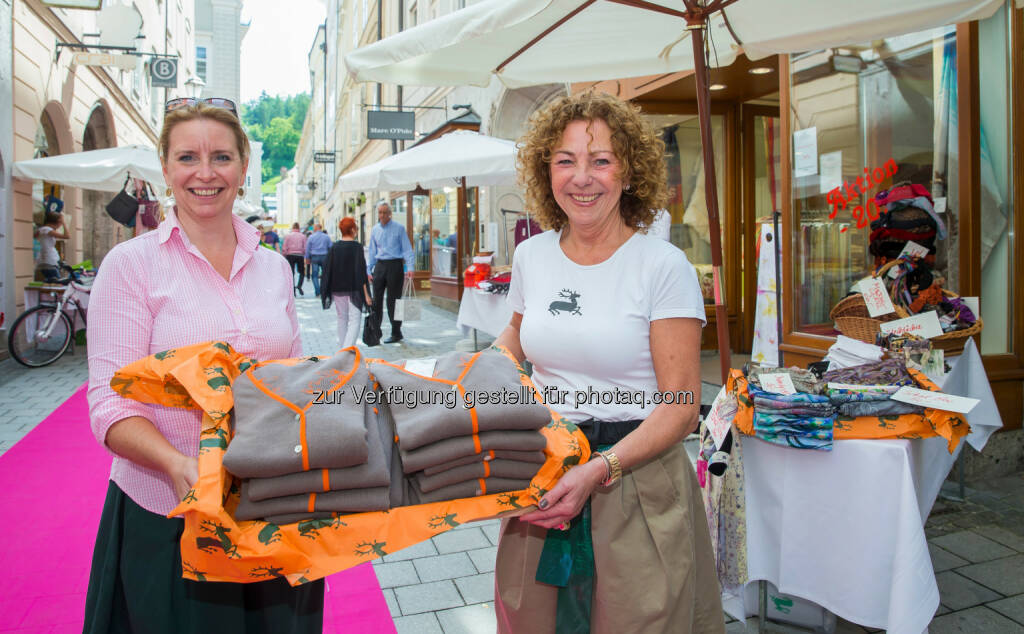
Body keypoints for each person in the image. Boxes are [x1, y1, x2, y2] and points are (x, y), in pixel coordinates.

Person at [83, 97, 323, 633]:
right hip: (169, 509)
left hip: (272, 502)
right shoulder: (131, 266)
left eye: (221, 157)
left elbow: (292, 377)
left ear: (242, 167)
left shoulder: (274, 268)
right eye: (188, 157)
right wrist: (176, 465)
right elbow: (109, 402)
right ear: (166, 169)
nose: (206, 173)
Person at [492, 92, 724, 633]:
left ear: (628, 171)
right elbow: (518, 334)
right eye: (566, 161)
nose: (582, 178)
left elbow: (681, 410)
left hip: (635, 480)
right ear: (545, 171)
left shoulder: (662, 266)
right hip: (545, 473)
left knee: (638, 618)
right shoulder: (532, 255)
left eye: (601, 160)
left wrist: (600, 469)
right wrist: (479, 373)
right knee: (534, 620)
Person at [320, 217, 372, 348]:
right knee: (355, 319)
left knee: (342, 318)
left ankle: (343, 350)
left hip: (337, 288)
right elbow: (361, 271)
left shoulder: (334, 247)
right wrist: (366, 295)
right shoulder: (357, 247)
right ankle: (346, 350)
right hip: (354, 288)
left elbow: (328, 269)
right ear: (353, 229)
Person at [366, 202, 414, 344]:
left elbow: (407, 249)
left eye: (385, 212)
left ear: (390, 214)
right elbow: (372, 251)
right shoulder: (375, 230)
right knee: (376, 301)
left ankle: (396, 332)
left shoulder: (399, 228)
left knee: (394, 302)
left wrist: (410, 268)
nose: (382, 215)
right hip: (380, 266)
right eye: (380, 212)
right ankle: (375, 333)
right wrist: (369, 269)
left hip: (395, 265)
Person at [34, 210, 68, 282]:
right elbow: (67, 236)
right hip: (49, 262)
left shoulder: (42, 230)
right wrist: (64, 223)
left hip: (44, 261)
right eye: (60, 222)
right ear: (57, 221)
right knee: (57, 284)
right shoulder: (47, 230)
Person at [304, 222, 331, 297]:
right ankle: (323, 291)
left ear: (316, 228)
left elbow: (308, 249)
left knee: (315, 275)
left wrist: (307, 258)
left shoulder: (311, 237)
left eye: (314, 227)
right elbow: (330, 248)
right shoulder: (326, 237)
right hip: (324, 257)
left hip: (314, 257)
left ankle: (318, 292)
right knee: (324, 275)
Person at [282, 221, 308, 295]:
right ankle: (299, 285)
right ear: (299, 228)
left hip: (290, 255)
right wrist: (305, 255)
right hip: (300, 255)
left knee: (291, 273)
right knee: (302, 272)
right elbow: (305, 247)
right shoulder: (303, 236)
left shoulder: (288, 236)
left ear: (293, 228)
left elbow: (284, 247)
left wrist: (284, 255)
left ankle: (293, 289)